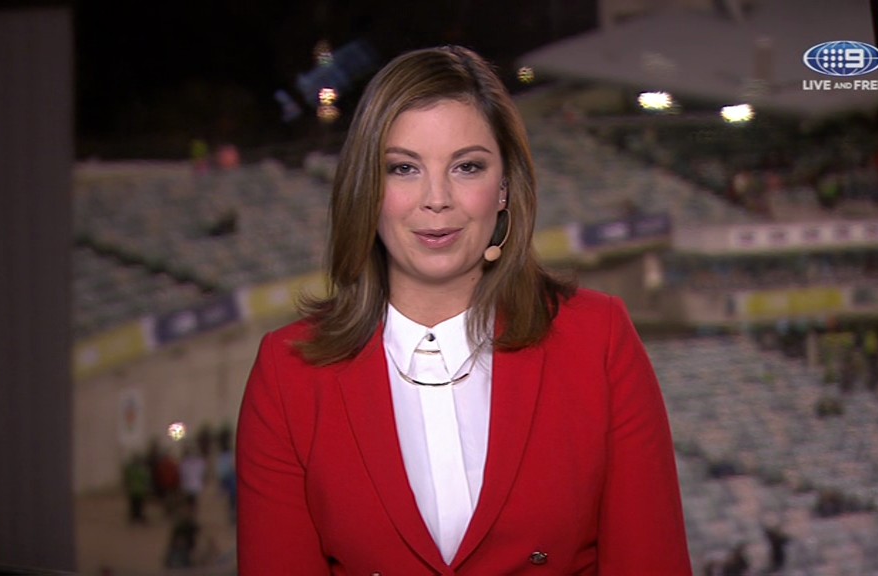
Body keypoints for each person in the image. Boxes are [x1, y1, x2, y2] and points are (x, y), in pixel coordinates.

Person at [237, 45, 691, 575]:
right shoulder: (288, 373)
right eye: (404, 168)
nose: (437, 198)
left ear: (504, 188)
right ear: (367, 190)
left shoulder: (599, 341)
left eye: (467, 167)